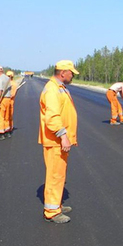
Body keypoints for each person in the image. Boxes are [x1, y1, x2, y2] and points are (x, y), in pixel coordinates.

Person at [39, 60, 79, 224]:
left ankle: (56, 204)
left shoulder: (59, 88)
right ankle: (52, 212)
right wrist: (63, 135)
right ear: (63, 73)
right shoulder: (53, 90)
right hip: (55, 140)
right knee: (55, 175)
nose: (73, 76)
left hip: (58, 140)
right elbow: (52, 117)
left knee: (59, 174)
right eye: (71, 73)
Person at [0, 66, 11, 140]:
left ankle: (0, 133)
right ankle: (7, 131)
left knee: (0, 116)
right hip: (8, 99)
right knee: (6, 116)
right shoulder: (7, 78)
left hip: (2, 99)